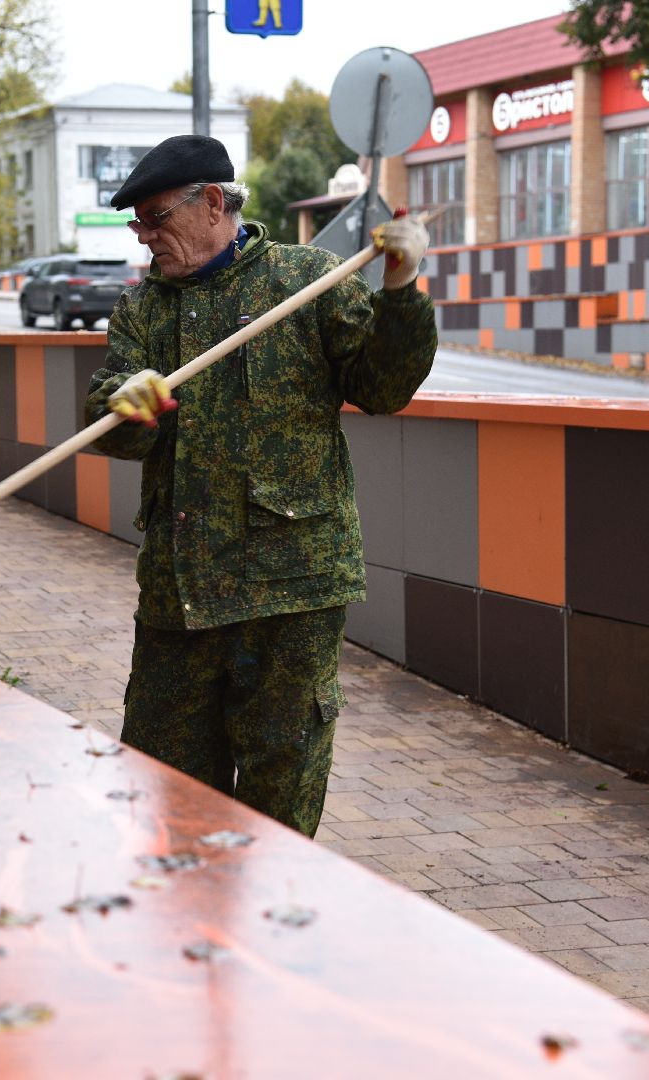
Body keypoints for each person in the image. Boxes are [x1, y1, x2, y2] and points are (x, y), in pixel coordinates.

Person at [84, 134, 437, 837]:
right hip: (180, 597)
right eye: (137, 224)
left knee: (281, 795)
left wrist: (400, 290)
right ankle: (184, 909)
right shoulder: (143, 310)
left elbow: (383, 389)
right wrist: (124, 405)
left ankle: (273, 910)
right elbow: (112, 431)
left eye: (155, 218)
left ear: (214, 203)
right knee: (164, 793)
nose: (144, 236)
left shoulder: (306, 281)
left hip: (290, 595)